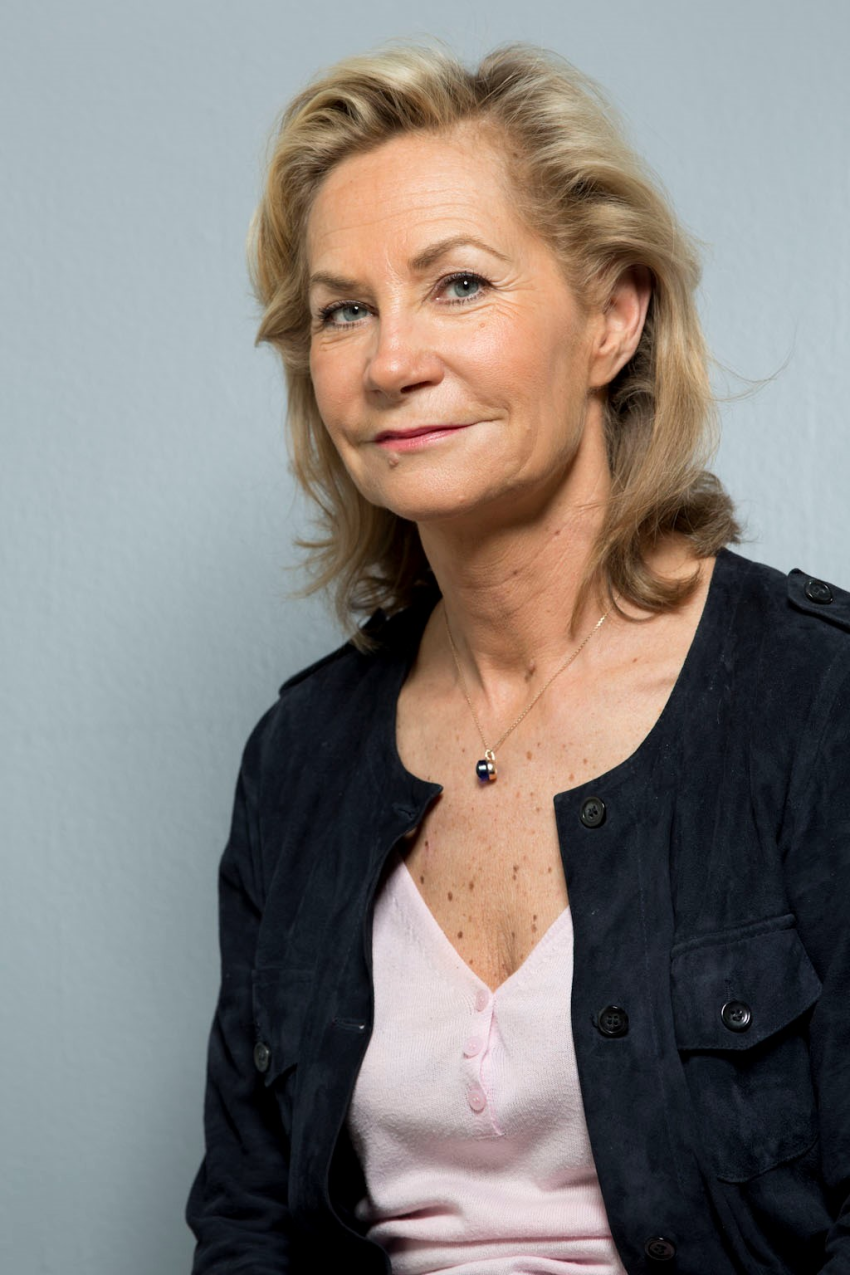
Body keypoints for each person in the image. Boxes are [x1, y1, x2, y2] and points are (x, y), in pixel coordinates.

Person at [185, 40, 850, 1275]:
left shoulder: (816, 705)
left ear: (611, 317)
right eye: (343, 310)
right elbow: (247, 1218)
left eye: (459, 285)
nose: (391, 363)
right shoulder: (297, 759)